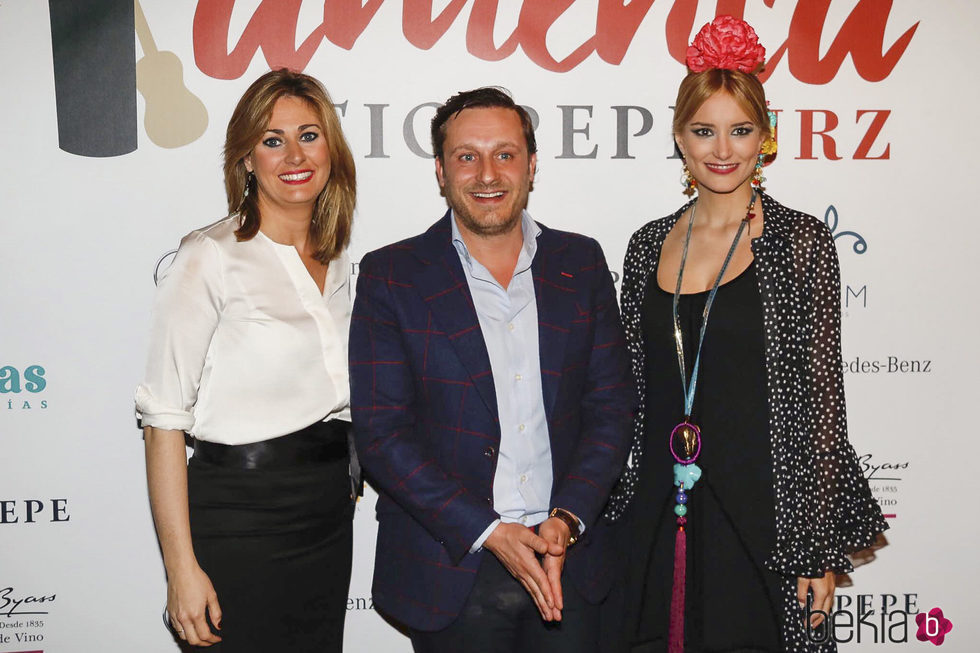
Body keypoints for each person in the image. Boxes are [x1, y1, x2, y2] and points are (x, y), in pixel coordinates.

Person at [603, 17, 888, 653]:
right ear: (679, 136)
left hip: (763, 511)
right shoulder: (647, 244)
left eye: (740, 130)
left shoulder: (799, 243)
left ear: (766, 137)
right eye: (704, 131)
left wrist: (816, 546)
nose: (722, 149)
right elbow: (632, 392)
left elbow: (820, 405)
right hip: (658, 505)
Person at [349, 87, 634, 652]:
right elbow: (382, 433)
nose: (487, 173)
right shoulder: (393, 275)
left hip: (568, 561)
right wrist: (488, 531)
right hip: (452, 562)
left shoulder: (581, 263)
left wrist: (567, 519)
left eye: (504, 153)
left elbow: (611, 408)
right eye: (466, 155)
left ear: (532, 165)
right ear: (440, 170)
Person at [135, 69, 358, 652]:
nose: (293, 155)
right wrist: (181, 570)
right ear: (246, 158)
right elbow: (162, 421)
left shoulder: (341, 265)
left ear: (331, 147)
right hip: (239, 521)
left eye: (309, 135)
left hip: (328, 515)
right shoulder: (209, 256)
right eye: (272, 139)